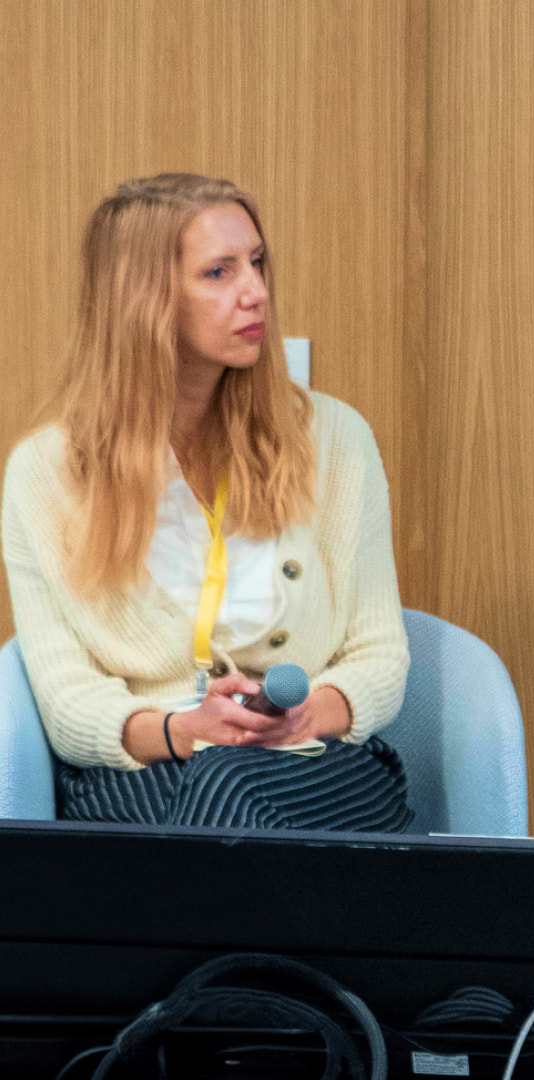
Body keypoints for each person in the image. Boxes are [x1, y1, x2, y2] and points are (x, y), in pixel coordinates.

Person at [2, 174, 414, 831]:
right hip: (143, 766)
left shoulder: (334, 441)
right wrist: (186, 728)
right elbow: (65, 696)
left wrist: (306, 716)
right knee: (217, 813)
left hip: (317, 763)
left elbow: (379, 655)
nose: (256, 292)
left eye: (256, 263)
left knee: (191, 845)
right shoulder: (47, 473)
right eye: (218, 272)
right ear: (144, 301)